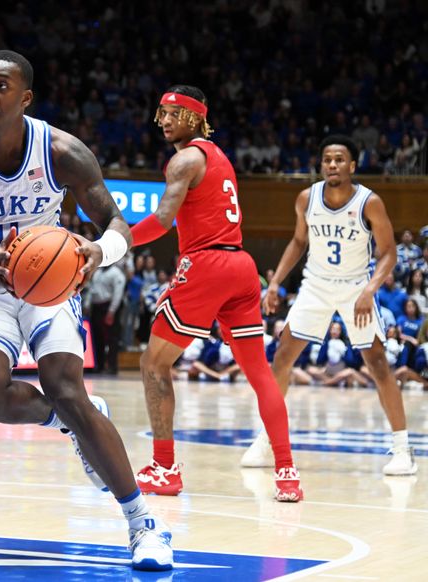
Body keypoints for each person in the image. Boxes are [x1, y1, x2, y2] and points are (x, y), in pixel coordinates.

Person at [0, 50, 173, 571]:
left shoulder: (61, 150)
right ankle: (67, 423)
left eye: (1, 87)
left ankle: (143, 522)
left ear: (25, 97)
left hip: (51, 286)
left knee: (65, 384)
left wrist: (97, 252)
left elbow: (117, 226)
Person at [129, 85, 302, 502]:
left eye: (173, 113)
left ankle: (165, 468)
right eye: (162, 114)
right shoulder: (218, 156)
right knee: (260, 374)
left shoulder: (184, 159)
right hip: (242, 267)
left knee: (153, 363)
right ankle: (287, 474)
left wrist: (110, 245)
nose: (165, 121)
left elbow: (162, 220)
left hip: (207, 264)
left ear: (193, 117)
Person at [241, 134, 417, 476]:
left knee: (378, 363)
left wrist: (370, 289)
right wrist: (275, 282)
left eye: (339, 159)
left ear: (352, 165)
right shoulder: (307, 198)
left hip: (355, 288)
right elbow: (297, 241)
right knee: (281, 358)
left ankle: (402, 449)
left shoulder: (370, 202)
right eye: (327, 159)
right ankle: (267, 439)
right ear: (321, 165)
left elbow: (388, 253)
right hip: (316, 286)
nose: (332, 165)